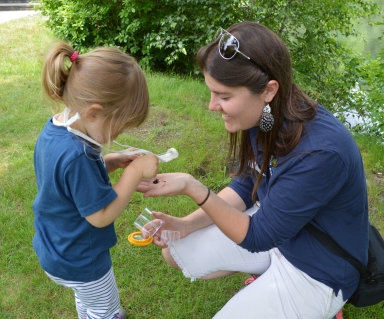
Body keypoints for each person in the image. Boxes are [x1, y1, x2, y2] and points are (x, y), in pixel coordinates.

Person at [137, 22, 368, 319]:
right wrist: (185, 225)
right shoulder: (265, 116)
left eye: (224, 96)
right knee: (175, 250)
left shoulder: (321, 152)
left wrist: (194, 188)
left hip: (319, 268)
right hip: (281, 237)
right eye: (211, 92)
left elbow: (258, 236)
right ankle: (268, 275)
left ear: (269, 90)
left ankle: (323, 307)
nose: (211, 106)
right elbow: (248, 184)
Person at [32, 41, 158, 319]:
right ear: (93, 113)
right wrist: (133, 173)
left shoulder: (56, 130)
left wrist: (111, 161)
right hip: (82, 260)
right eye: (120, 125)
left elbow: (67, 183)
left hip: (54, 248)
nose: (118, 134)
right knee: (107, 309)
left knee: (86, 299)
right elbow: (100, 216)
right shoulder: (78, 155)